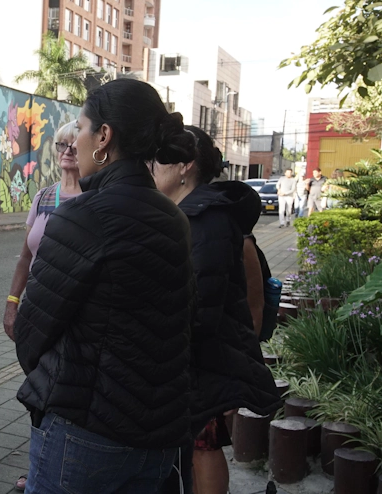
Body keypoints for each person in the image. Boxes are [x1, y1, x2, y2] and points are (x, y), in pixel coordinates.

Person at [13, 78, 198, 493]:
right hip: (157, 435)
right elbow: (183, 320)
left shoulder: (82, 216)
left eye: (80, 128)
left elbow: (32, 331)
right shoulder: (174, 219)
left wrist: (52, 386)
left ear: (104, 137)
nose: (75, 140)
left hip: (83, 433)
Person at [150, 126, 282, 494]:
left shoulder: (206, 219)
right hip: (193, 360)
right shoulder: (186, 214)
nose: (151, 167)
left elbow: (204, 307)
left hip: (201, 362)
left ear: (185, 166)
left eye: (160, 159)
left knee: (203, 445)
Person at [3, 121, 81, 492]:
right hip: (37, 313)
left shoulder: (93, 198)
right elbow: (25, 257)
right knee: (36, 394)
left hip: (74, 316)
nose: (67, 151)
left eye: (75, 144)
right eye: (62, 145)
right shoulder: (44, 197)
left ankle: (58, 468)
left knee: (65, 397)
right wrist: (12, 303)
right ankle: (38, 466)